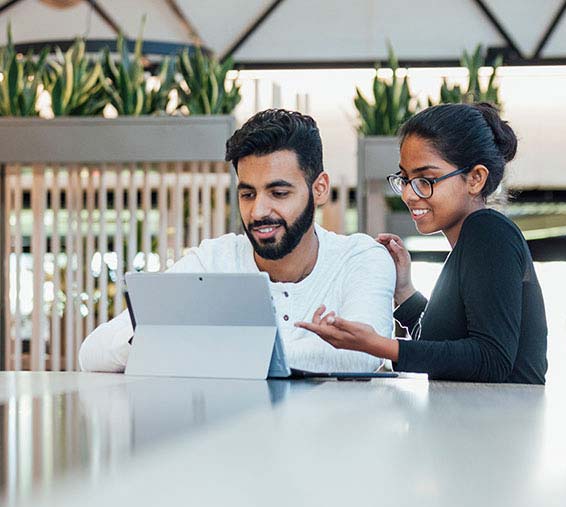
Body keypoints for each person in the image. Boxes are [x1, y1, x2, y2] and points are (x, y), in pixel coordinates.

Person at [79, 109, 395, 373]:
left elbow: (362, 356)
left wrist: (201, 349)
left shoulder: (361, 257)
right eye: (247, 193)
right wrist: (158, 342)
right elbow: (93, 353)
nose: (258, 211)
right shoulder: (214, 260)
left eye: (279, 193)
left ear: (320, 189)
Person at [296, 103, 548, 384]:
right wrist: (404, 290)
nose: (409, 195)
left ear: (475, 178)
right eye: (405, 179)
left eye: (426, 180)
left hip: (501, 423)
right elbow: (440, 345)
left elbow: (491, 359)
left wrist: (375, 344)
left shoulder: (488, 231)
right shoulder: (469, 244)